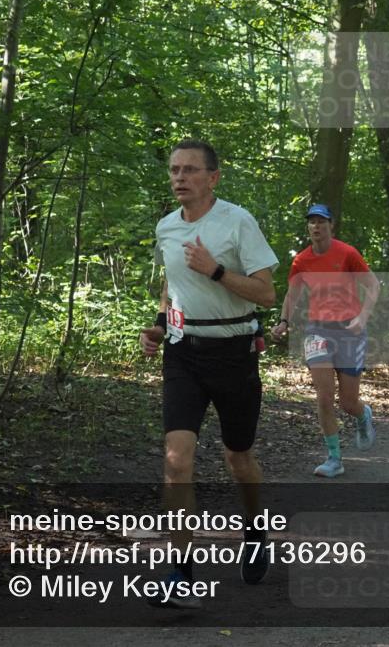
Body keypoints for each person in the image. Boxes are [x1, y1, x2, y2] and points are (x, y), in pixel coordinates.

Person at [140, 139, 278, 607]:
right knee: (177, 459)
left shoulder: (237, 221)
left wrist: (216, 270)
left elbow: (266, 295)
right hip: (183, 354)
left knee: (238, 457)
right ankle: (181, 576)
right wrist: (159, 325)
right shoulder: (166, 227)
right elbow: (171, 285)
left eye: (190, 170)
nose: (179, 177)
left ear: (213, 178)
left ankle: (256, 529)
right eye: (175, 170)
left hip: (235, 353)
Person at [271, 204, 380, 478]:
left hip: (349, 330)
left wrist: (363, 317)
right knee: (323, 397)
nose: (315, 226)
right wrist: (284, 321)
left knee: (347, 402)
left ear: (331, 225)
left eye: (321, 221)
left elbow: (373, 285)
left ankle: (362, 414)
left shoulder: (347, 254)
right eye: (311, 222)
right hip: (317, 330)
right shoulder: (301, 261)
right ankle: (334, 458)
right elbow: (292, 294)